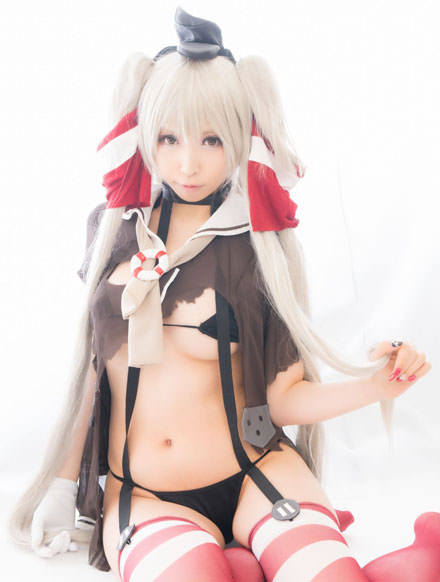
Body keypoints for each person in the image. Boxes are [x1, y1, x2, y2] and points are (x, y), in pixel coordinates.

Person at [8, 7, 437, 582]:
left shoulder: (260, 246)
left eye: (212, 139)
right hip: (148, 495)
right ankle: (239, 559)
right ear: (146, 133)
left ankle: (415, 550)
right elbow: (93, 370)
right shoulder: (113, 231)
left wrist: (376, 386)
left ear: (240, 136)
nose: (188, 163)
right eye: (169, 137)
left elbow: (283, 397)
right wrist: (64, 484)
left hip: (259, 472)